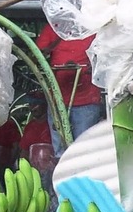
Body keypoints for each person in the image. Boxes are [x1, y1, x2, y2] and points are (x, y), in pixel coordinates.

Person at [35, 22, 104, 157]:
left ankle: (82, 175)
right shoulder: (53, 27)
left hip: (87, 100)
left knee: (83, 149)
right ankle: (62, 174)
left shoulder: (93, 28)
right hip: (58, 99)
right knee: (60, 149)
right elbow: (38, 54)